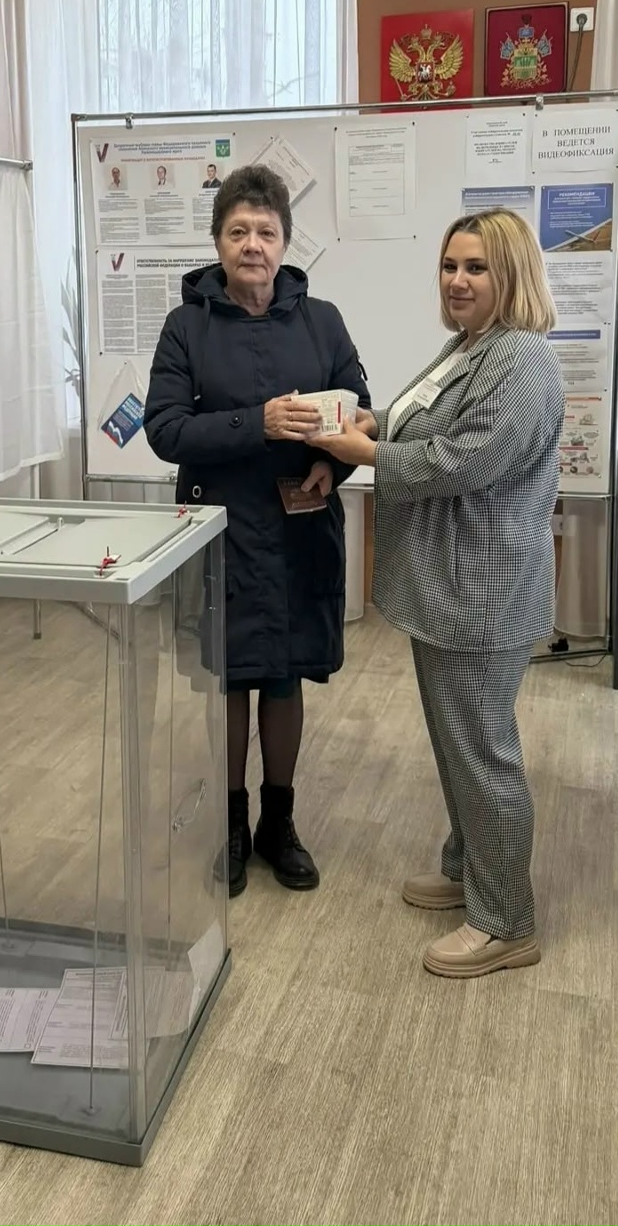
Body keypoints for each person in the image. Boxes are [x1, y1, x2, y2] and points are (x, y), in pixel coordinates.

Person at [307, 207, 563, 976]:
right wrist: (372, 421)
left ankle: (506, 922)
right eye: (450, 265)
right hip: (448, 586)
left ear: (511, 274)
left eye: (476, 267)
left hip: (481, 592)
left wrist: (366, 453)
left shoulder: (522, 357)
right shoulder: (471, 346)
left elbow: (464, 459)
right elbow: (425, 420)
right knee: (459, 746)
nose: (457, 280)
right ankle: (468, 871)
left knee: (482, 755)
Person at [145, 164, 370, 896]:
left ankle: (280, 823)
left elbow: (361, 411)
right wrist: (259, 422)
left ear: (284, 242)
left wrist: (332, 466)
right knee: (230, 679)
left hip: (300, 528)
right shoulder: (186, 326)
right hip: (219, 531)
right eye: (238, 231)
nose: (252, 245)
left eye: (266, 232)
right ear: (217, 242)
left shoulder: (323, 320)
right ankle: (232, 825)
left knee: (282, 675)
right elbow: (165, 430)